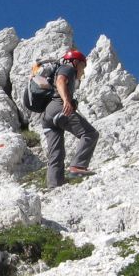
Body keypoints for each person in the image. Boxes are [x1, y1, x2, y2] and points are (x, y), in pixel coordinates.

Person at [42, 49, 99, 188]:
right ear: (76, 62)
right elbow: (61, 81)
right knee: (90, 134)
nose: (83, 71)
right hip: (59, 107)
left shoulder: (63, 69)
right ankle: (78, 166)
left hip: (47, 116)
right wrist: (67, 100)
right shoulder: (68, 68)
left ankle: (55, 185)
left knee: (56, 153)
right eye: (83, 66)